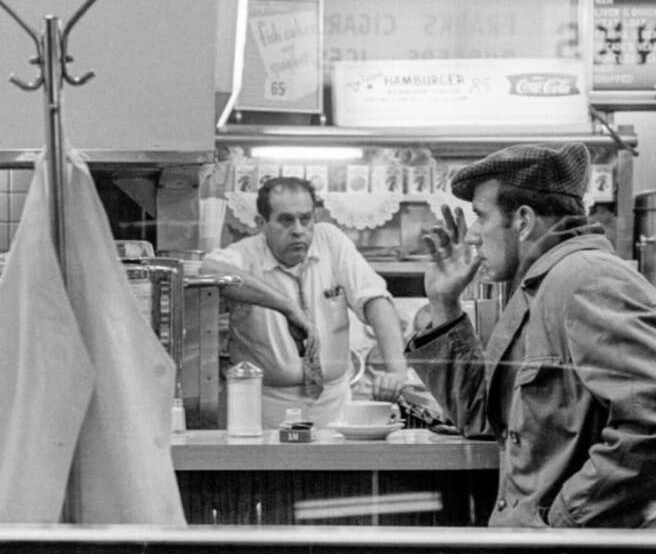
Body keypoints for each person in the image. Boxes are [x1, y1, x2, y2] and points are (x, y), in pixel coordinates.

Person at [409, 142, 656, 528]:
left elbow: (649, 422)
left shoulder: (586, 279)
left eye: (481, 216)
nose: (472, 235)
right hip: (538, 552)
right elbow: (481, 416)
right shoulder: (538, 287)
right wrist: (444, 305)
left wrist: (562, 522)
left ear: (523, 220)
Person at [202, 176, 410, 428]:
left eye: (306, 218)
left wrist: (397, 369)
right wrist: (286, 307)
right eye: (286, 220)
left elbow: (375, 299)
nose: (298, 229)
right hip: (263, 409)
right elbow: (206, 269)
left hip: (333, 406)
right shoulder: (246, 253)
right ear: (261, 224)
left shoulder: (330, 240)